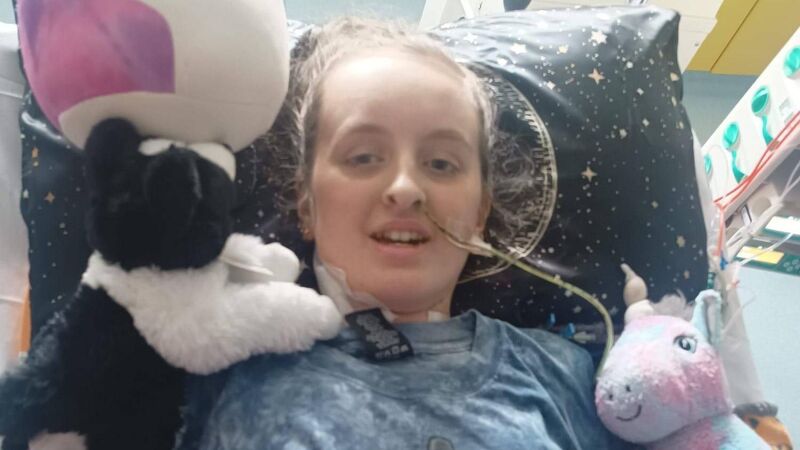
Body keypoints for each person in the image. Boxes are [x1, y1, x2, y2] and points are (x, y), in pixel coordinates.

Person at [176, 17, 631, 450]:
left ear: (480, 212)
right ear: (306, 203)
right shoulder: (226, 367)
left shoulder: (560, 374)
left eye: (441, 163)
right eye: (363, 157)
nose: (406, 189)